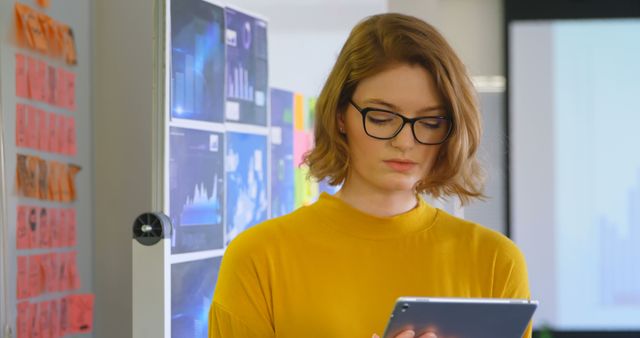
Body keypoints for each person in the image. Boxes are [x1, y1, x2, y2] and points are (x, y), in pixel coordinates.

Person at [209, 13, 532, 338]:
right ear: (339, 117)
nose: (404, 141)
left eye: (430, 122)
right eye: (380, 117)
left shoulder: (494, 262)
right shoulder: (258, 259)